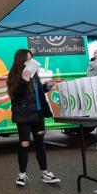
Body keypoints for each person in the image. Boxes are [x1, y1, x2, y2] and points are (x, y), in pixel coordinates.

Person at [6, 49, 61, 186]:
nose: (30, 62)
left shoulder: (35, 75)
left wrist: (48, 86)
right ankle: (22, 175)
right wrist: (24, 80)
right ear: (20, 61)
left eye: (31, 59)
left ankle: (45, 173)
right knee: (24, 144)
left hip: (38, 114)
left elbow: (38, 92)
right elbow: (16, 94)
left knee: (40, 145)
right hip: (23, 116)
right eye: (27, 59)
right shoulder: (14, 75)